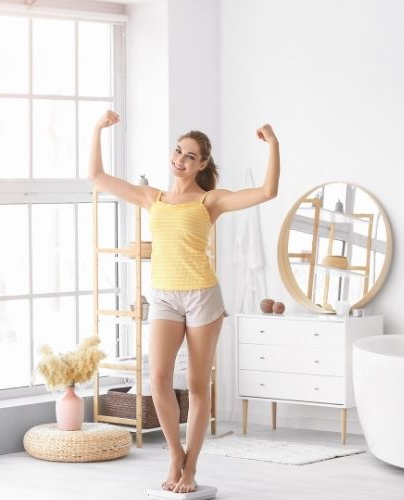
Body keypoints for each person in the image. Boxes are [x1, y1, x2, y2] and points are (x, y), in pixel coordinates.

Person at [88, 110, 280, 494]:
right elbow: (97, 176)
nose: (181, 160)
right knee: (158, 380)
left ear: (202, 164)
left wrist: (273, 144)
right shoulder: (152, 198)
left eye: (190, 156)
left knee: (195, 384)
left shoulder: (211, 201)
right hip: (163, 297)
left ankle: (190, 468)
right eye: (178, 152)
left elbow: (266, 192)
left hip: (202, 297)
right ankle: (175, 455)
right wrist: (97, 129)